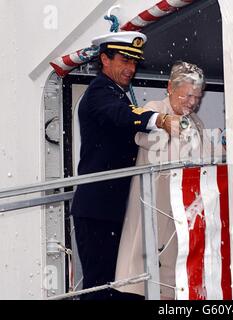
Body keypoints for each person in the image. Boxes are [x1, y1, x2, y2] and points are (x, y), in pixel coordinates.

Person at [70, 31, 181, 300]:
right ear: (105, 59)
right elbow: (122, 116)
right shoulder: (99, 92)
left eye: (134, 62)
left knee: (121, 286)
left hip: (116, 208)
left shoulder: (117, 95)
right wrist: (160, 119)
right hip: (99, 209)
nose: (130, 68)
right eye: (124, 60)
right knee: (102, 287)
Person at [114, 61, 224, 299]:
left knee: (175, 273)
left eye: (197, 96)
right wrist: (169, 127)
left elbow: (207, 156)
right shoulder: (155, 109)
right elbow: (146, 138)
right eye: (187, 96)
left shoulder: (195, 122)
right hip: (158, 204)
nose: (193, 102)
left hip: (182, 209)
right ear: (170, 88)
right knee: (151, 270)